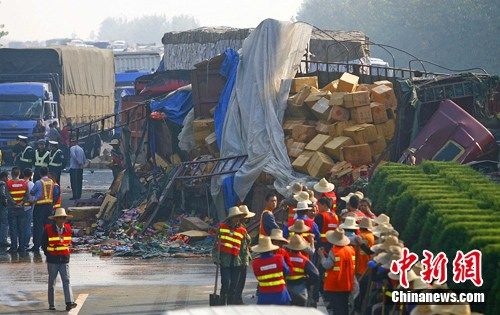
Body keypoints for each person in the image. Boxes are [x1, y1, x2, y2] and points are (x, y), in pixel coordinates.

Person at [42, 207, 77, 311]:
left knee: (66, 280)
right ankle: (51, 304)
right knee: (52, 282)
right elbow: (43, 244)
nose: (62, 220)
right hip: (53, 260)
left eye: (63, 218)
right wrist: (48, 255)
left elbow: (68, 243)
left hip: (64, 259)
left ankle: (69, 302)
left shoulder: (68, 229)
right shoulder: (48, 229)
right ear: (55, 219)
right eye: (60, 218)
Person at [213, 206, 247, 305]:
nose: (236, 219)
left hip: (237, 262)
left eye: (238, 217)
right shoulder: (222, 227)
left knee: (233, 286)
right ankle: (222, 305)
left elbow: (243, 248)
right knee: (226, 284)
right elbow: (215, 245)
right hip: (224, 261)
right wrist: (216, 258)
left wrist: (245, 261)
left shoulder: (242, 230)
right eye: (235, 217)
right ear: (230, 218)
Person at [319, 228, 356, 315]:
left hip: (336, 284)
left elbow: (327, 265)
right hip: (348, 283)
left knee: (337, 308)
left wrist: (322, 256)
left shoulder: (334, 251)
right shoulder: (350, 250)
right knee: (344, 306)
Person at [251, 236, 291, 305]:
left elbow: (258, 277)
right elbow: (287, 271)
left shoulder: (255, 263)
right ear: (271, 248)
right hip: (281, 296)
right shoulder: (279, 258)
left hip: (264, 297)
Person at [284, 234, 319, 306]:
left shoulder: (283, 258)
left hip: (286, 291)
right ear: (301, 247)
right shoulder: (304, 259)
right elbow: (316, 275)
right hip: (301, 291)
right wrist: (307, 282)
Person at [30, 166, 55, 252]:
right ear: (47, 172)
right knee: (48, 226)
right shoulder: (51, 181)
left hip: (40, 207)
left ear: (40, 173)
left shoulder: (38, 182)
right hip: (49, 206)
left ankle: (36, 245)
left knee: (37, 226)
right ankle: (48, 243)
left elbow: (32, 192)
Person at [235, 205, 255, 305]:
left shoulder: (241, 227)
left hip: (242, 257)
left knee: (239, 279)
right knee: (240, 280)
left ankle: (237, 299)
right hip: (241, 258)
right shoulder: (239, 228)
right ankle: (237, 299)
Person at [7, 167, 30, 253]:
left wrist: (14, 203)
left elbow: (8, 196)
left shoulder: (8, 183)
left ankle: (13, 247)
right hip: (21, 209)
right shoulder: (24, 183)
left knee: (13, 229)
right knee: (21, 229)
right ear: (19, 174)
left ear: (12, 174)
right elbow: (27, 195)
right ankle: (22, 247)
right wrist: (21, 203)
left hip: (12, 209)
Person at [22, 168, 35, 251]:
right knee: (27, 226)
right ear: (31, 175)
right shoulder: (32, 184)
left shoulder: (20, 182)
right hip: (29, 207)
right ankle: (25, 243)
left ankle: (19, 243)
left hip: (19, 207)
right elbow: (33, 197)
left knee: (19, 226)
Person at [0, 171, 10, 248]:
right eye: (7, 177)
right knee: (4, 223)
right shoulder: (3, 184)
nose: (8, 178)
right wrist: (6, 203)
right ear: (4, 177)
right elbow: (3, 194)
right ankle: (3, 240)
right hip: (2, 206)